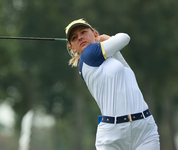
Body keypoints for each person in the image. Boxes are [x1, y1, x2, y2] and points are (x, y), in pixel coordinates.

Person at [65, 18, 160, 150]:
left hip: (145, 130)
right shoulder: (88, 55)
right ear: (72, 47)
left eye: (83, 32)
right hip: (113, 136)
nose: (80, 37)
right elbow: (124, 37)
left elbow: (126, 70)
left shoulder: (111, 60)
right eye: (74, 37)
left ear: (95, 34)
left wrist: (105, 42)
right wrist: (107, 39)